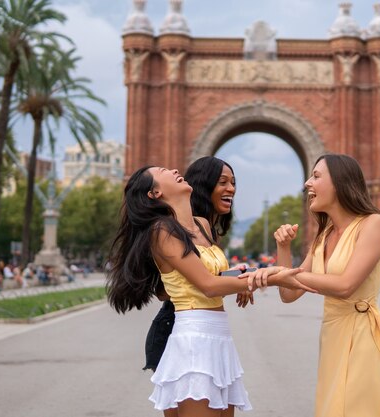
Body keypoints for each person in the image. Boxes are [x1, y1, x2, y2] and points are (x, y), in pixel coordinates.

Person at [105, 166, 309, 416]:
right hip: (194, 339)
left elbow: (214, 275)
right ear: (154, 192)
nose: (175, 169)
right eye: (163, 171)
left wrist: (241, 274)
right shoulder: (162, 231)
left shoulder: (202, 225)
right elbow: (208, 285)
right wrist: (265, 279)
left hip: (220, 338)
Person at [262, 154, 380, 417]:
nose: (307, 183)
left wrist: (277, 274)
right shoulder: (324, 235)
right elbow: (289, 293)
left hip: (362, 335)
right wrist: (283, 249)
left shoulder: (374, 224)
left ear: (340, 183)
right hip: (332, 337)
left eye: (316, 176)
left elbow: (345, 285)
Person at [143, 157, 246, 383]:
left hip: (214, 332)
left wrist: (239, 277)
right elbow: (177, 286)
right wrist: (255, 279)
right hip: (181, 329)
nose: (231, 188)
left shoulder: (203, 225)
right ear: (204, 185)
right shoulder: (167, 229)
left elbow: (208, 276)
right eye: (222, 182)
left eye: (233, 182)